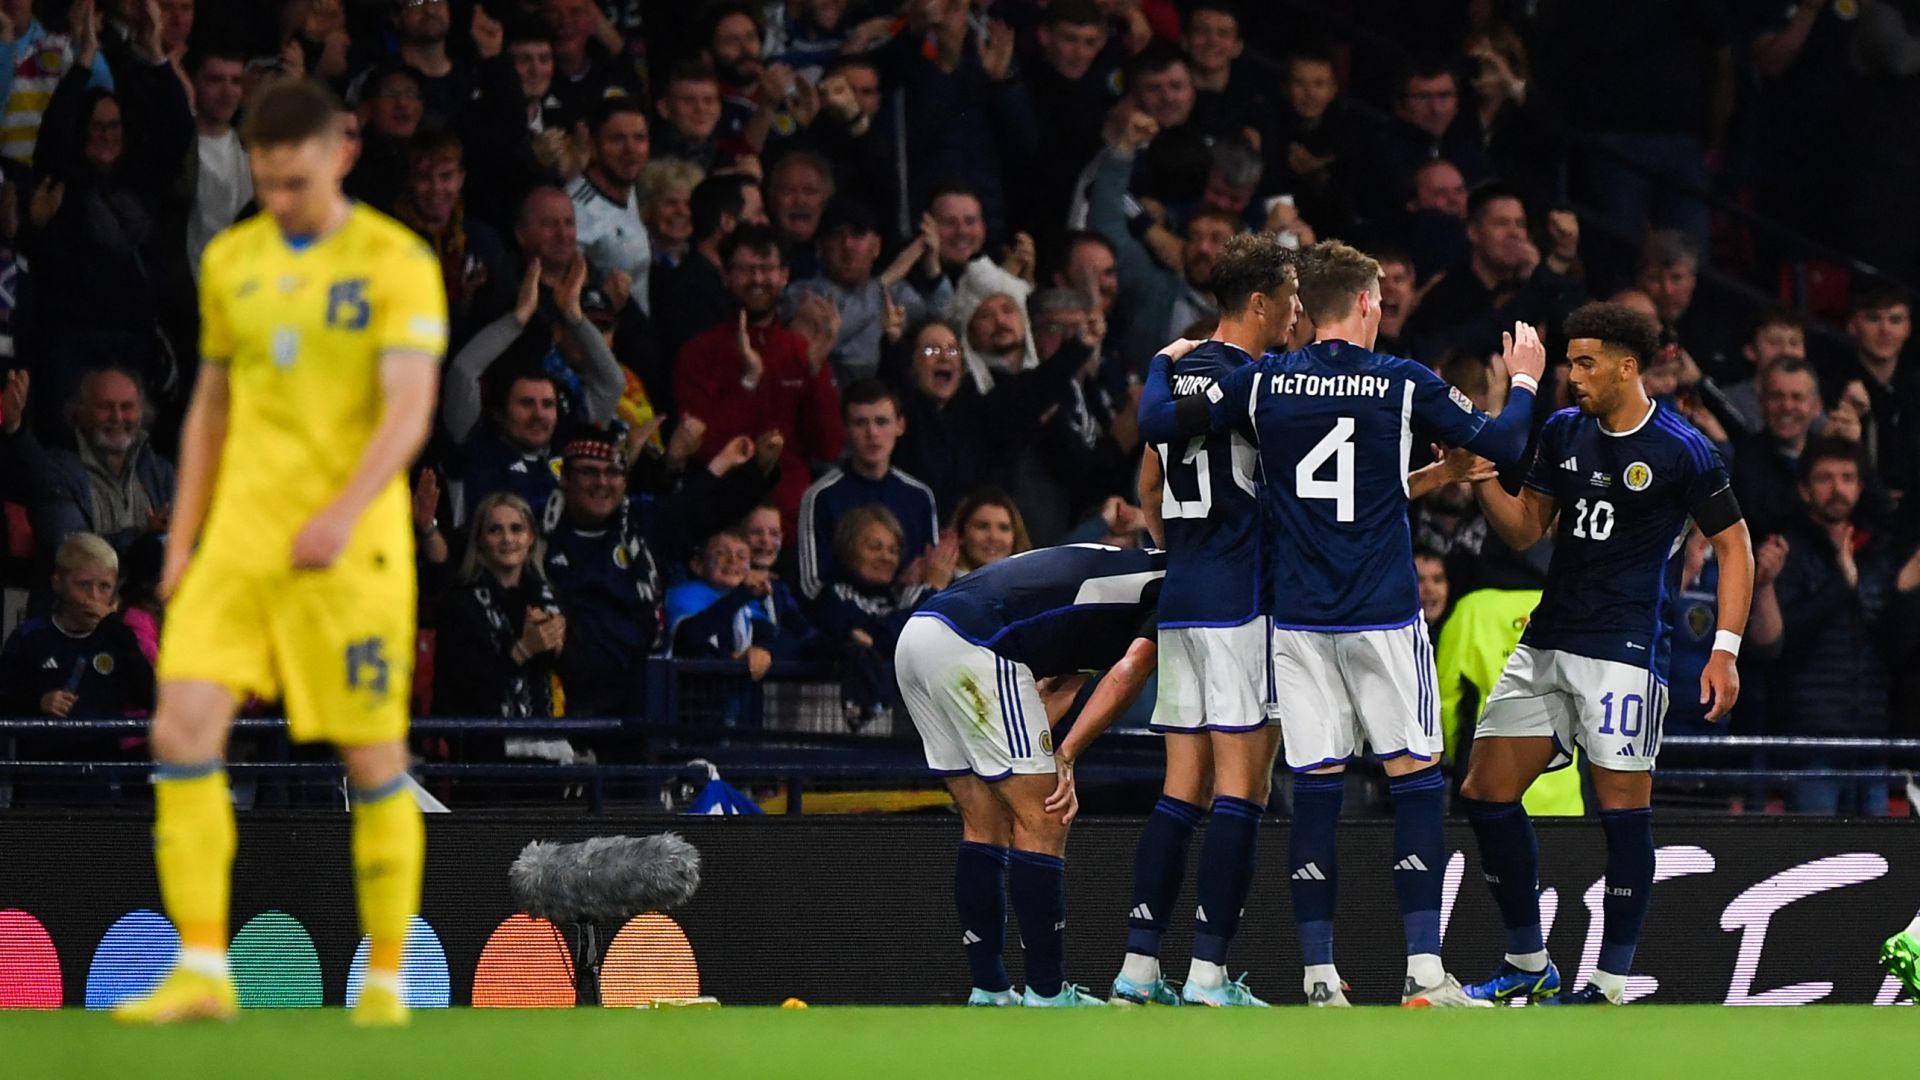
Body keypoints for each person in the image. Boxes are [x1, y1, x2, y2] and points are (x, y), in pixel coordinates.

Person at [1138, 240, 1546, 1007]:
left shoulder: (1263, 383)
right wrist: (1524, 377)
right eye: (1382, 300)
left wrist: (1163, 363)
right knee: (1416, 779)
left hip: (1297, 621)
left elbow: (1160, 420)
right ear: (1365, 302)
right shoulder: (1398, 382)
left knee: (1315, 785)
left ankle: (1319, 975)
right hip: (1385, 615)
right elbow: (1506, 440)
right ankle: (1424, 972)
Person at [117, 79, 447, 1026]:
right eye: (266, 182)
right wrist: (182, 540)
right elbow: (211, 408)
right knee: (180, 732)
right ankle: (202, 968)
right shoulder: (233, 260)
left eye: (297, 181)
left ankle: (386, 979)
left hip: (352, 550)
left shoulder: (396, 261)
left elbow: (409, 408)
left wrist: (345, 510)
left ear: (343, 153)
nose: (282, 200)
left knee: (373, 756)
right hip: (243, 541)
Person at [1459, 301, 1755, 1007]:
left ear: (1628, 367)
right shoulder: (1563, 431)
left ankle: (1612, 981)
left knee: (1622, 813)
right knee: (1484, 792)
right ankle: (1529, 963)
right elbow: (1527, 529)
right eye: (1568, 361)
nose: (1572, 375)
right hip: (1548, 640)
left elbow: (1736, 546)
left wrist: (1725, 651)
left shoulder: (1682, 448)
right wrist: (1478, 481)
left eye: (1586, 362)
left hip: (1623, 652)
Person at [1109, 232, 1298, 1008]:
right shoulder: (1253, 380)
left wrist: (1172, 539)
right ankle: (1210, 976)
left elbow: (1150, 476)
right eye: (1289, 300)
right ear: (1259, 302)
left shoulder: (1188, 372)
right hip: (1239, 601)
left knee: (1179, 788)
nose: (1296, 315)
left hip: (1186, 595)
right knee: (1241, 789)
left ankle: (1137, 968)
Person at [895, 542, 1165, 1007]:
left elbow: (1056, 686)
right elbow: (1130, 670)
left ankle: (990, 988)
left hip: (919, 636)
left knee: (986, 823)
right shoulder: (1179, 585)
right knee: (1046, 817)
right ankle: (1047, 991)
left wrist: (1037, 753)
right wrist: (1066, 756)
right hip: (978, 645)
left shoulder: (1125, 567)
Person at [1768, 438, 1920, 814]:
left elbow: (1894, 650)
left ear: (1860, 487)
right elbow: (1782, 643)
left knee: (1878, 862)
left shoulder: (1878, 552)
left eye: (1847, 478)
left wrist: (1903, 594)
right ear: (1804, 490)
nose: (1838, 489)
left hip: (1872, 738)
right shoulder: (1786, 550)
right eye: (1825, 479)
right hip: (1810, 741)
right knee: (1815, 861)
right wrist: (1842, 584)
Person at [674, 223, 843, 532]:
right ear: (725, 276)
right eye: (745, 270)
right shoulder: (699, 352)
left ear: (785, 276)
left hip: (789, 522)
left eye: (767, 269)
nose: (757, 280)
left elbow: (828, 446)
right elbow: (702, 448)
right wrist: (749, 382)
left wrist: (816, 370)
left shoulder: (800, 350)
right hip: (723, 519)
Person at [0, 366, 175, 561]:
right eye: (105, 407)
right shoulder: (55, 470)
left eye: (127, 407)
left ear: (142, 412)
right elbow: (71, 550)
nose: (117, 417)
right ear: (79, 411)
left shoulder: (162, 473)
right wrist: (140, 539)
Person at [796, 380, 938, 601]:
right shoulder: (820, 496)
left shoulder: (919, 496)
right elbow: (814, 585)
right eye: (861, 423)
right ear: (845, 429)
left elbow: (928, 576)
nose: (872, 433)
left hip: (905, 622)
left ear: (900, 426)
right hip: (844, 628)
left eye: (882, 422)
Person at [431, 492, 564, 721]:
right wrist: (523, 650)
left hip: (554, 740)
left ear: (531, 537)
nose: (507, 539)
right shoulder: (459, 605)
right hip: (483, 742)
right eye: (495, 530)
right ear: (480, 541)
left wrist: (563, 649)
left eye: (516, 529)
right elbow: (464, 689)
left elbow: (584, 677)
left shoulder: (551, 599)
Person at [0, 532, 154, 721]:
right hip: (45, 748)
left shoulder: (119, 639)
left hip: (105, 748)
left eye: (104, 587)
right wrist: (39, 702)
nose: (94, 596)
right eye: (83, 585)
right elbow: (4, 697)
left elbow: (151, 699)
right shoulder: (30, 636)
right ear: (58, 583)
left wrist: (118, 632)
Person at [567, 96, 652, 315]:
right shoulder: (575, 208)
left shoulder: (631, 188)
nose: (630, 149)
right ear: (593, 146)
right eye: (617, 139)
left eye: (639, 138)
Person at [184, 46, 250, 279]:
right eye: (215, 80)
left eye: (236, 81)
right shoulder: (179, 149)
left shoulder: (249, 148)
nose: (228, 92)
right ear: (194, 82)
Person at [950, 489, 1030, 576]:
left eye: (1004, 528)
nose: (994, 537)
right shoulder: (943, 586)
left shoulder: (1032, 584)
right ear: (961, 535)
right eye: (982, 527)